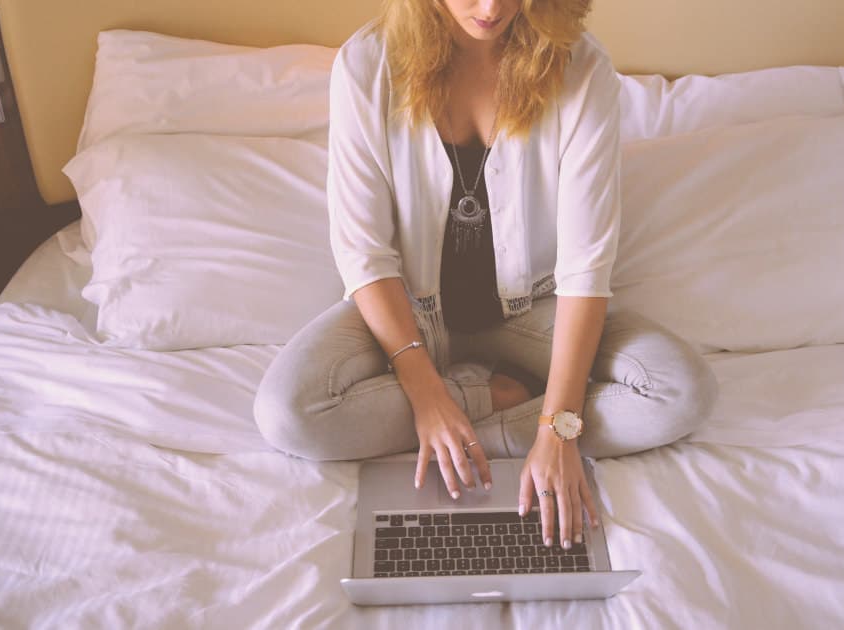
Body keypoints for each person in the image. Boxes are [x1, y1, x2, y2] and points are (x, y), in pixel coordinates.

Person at [254, 0, 716, 552]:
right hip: (408, 312)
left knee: (680, 391)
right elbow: (365, 253)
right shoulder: (367, 63)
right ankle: (494, 397)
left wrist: (558, 428)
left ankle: (497, 427)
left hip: (536, 308)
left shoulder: (582, 69)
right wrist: (427, 397)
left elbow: (585, 266)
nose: (492, 6)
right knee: (289, 415)